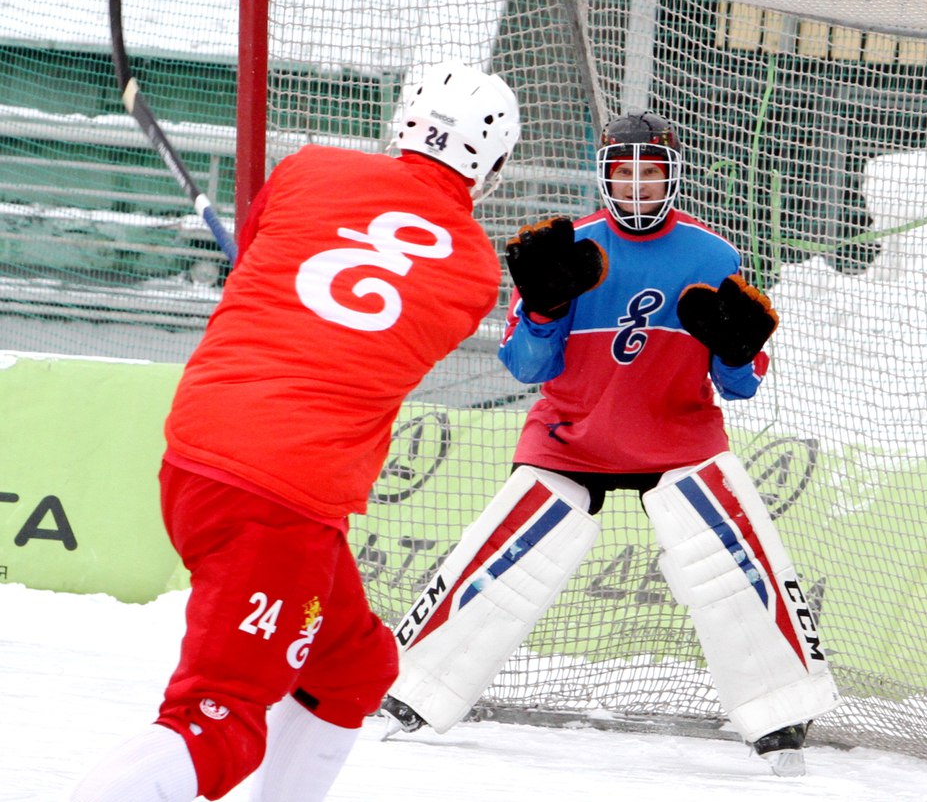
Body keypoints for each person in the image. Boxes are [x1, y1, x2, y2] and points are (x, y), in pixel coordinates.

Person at [69, 60, 521, 802]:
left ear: (405, 119)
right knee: (217, 724)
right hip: (282, 497)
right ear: (490, 161)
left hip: (200, 453)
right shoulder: (474, 270)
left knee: (353, 666)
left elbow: (266, 258)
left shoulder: (310, 168)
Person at [378, 109, 839, 777]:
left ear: (672, 179)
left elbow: (738, 388)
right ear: (604, 178)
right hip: (571, 440)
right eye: (623, 177)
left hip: (677, 439)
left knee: (731, 551)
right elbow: (527, 368)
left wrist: (737, 352)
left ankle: (783, 707)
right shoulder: (568, 250)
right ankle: (413, 686)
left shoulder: (713, 256)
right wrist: (541, 308)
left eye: (649, 177)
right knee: (503, 546)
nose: (636, 191)